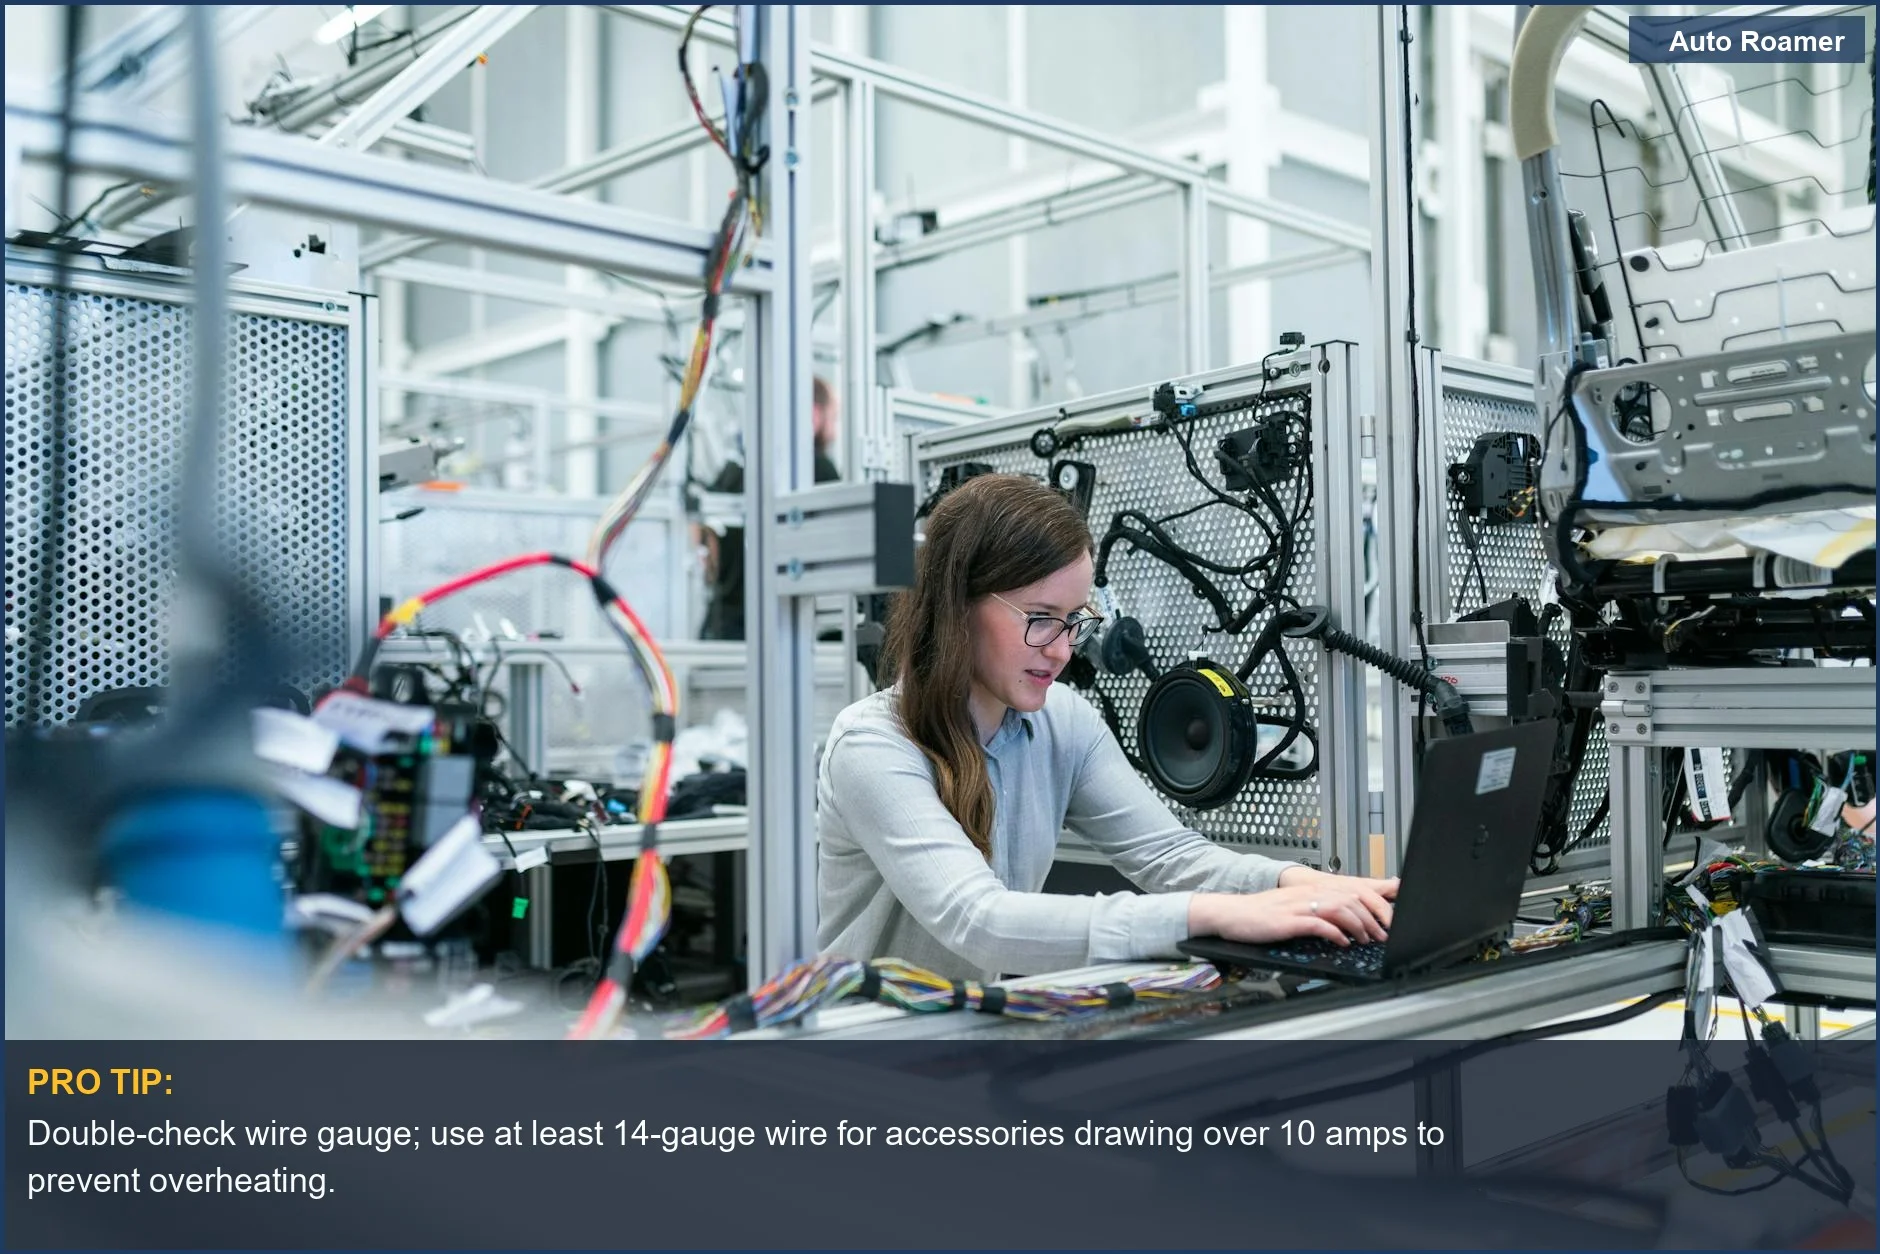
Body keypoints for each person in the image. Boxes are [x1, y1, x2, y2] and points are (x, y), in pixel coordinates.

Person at [816, 473, 1398, 981]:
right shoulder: (873, 745)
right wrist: (1214, 915)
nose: (1062, 650)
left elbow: (1170, 856)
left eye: (1075, 621)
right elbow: (980, 921)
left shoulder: (1063, 722)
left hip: (968, 1032)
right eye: (1040, 619)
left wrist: (1302, 885)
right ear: (957, 607)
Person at [698, 377, 841, 641]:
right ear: (814, 414)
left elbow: (705, 547)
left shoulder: (734, 470)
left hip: (722, 630)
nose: (835, 430)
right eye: (834, 417)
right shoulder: (817, 468)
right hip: (780, 631)